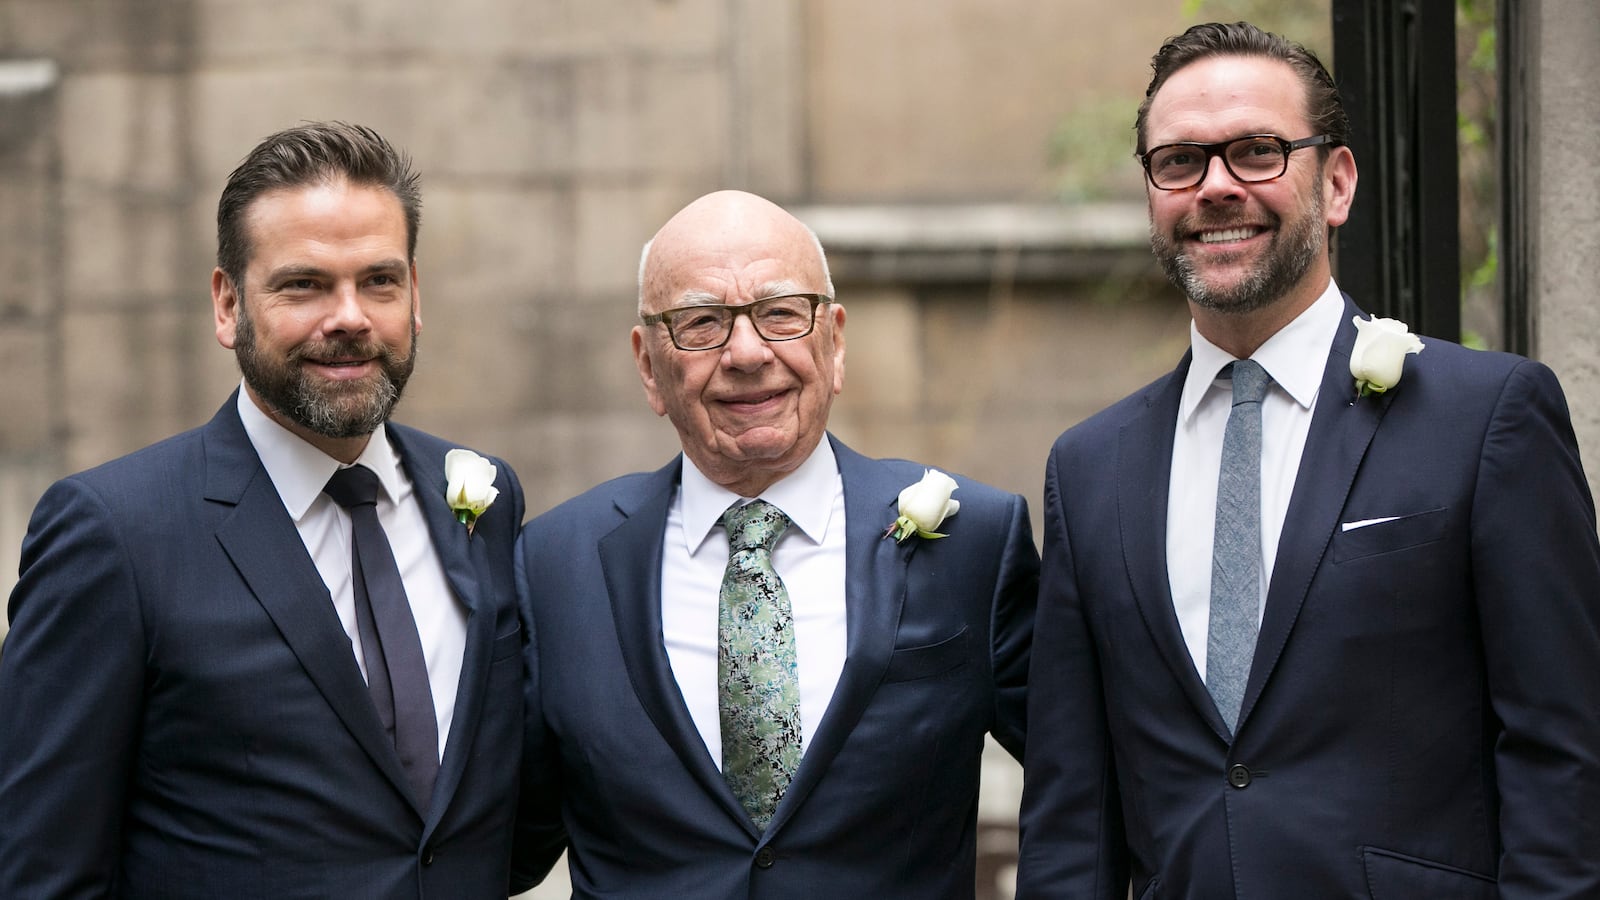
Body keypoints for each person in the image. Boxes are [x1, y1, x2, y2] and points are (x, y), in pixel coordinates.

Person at [1015, 21, 1600, 900]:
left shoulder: (1488, 419)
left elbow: (1565, 758)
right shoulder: (1089, 469)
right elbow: (1071, 820)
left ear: (1335, 183)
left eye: (1256, 152)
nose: (1214, 187)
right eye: (1179, 162)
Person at [0, 122, 561, 897]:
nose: (350, 317)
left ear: (415, 296)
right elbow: (41, 870)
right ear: (229, 305)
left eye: (379, 281)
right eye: (304, 285)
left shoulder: (480, 499)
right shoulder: (116, 535)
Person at [510, 189, 1038, 898]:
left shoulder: (974, 541)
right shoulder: (553, 565)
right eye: (701, 323)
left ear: (836, 341)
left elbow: (1086, 787)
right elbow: (499, 843)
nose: (748, 354)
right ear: (648, 366)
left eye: (781, 313)